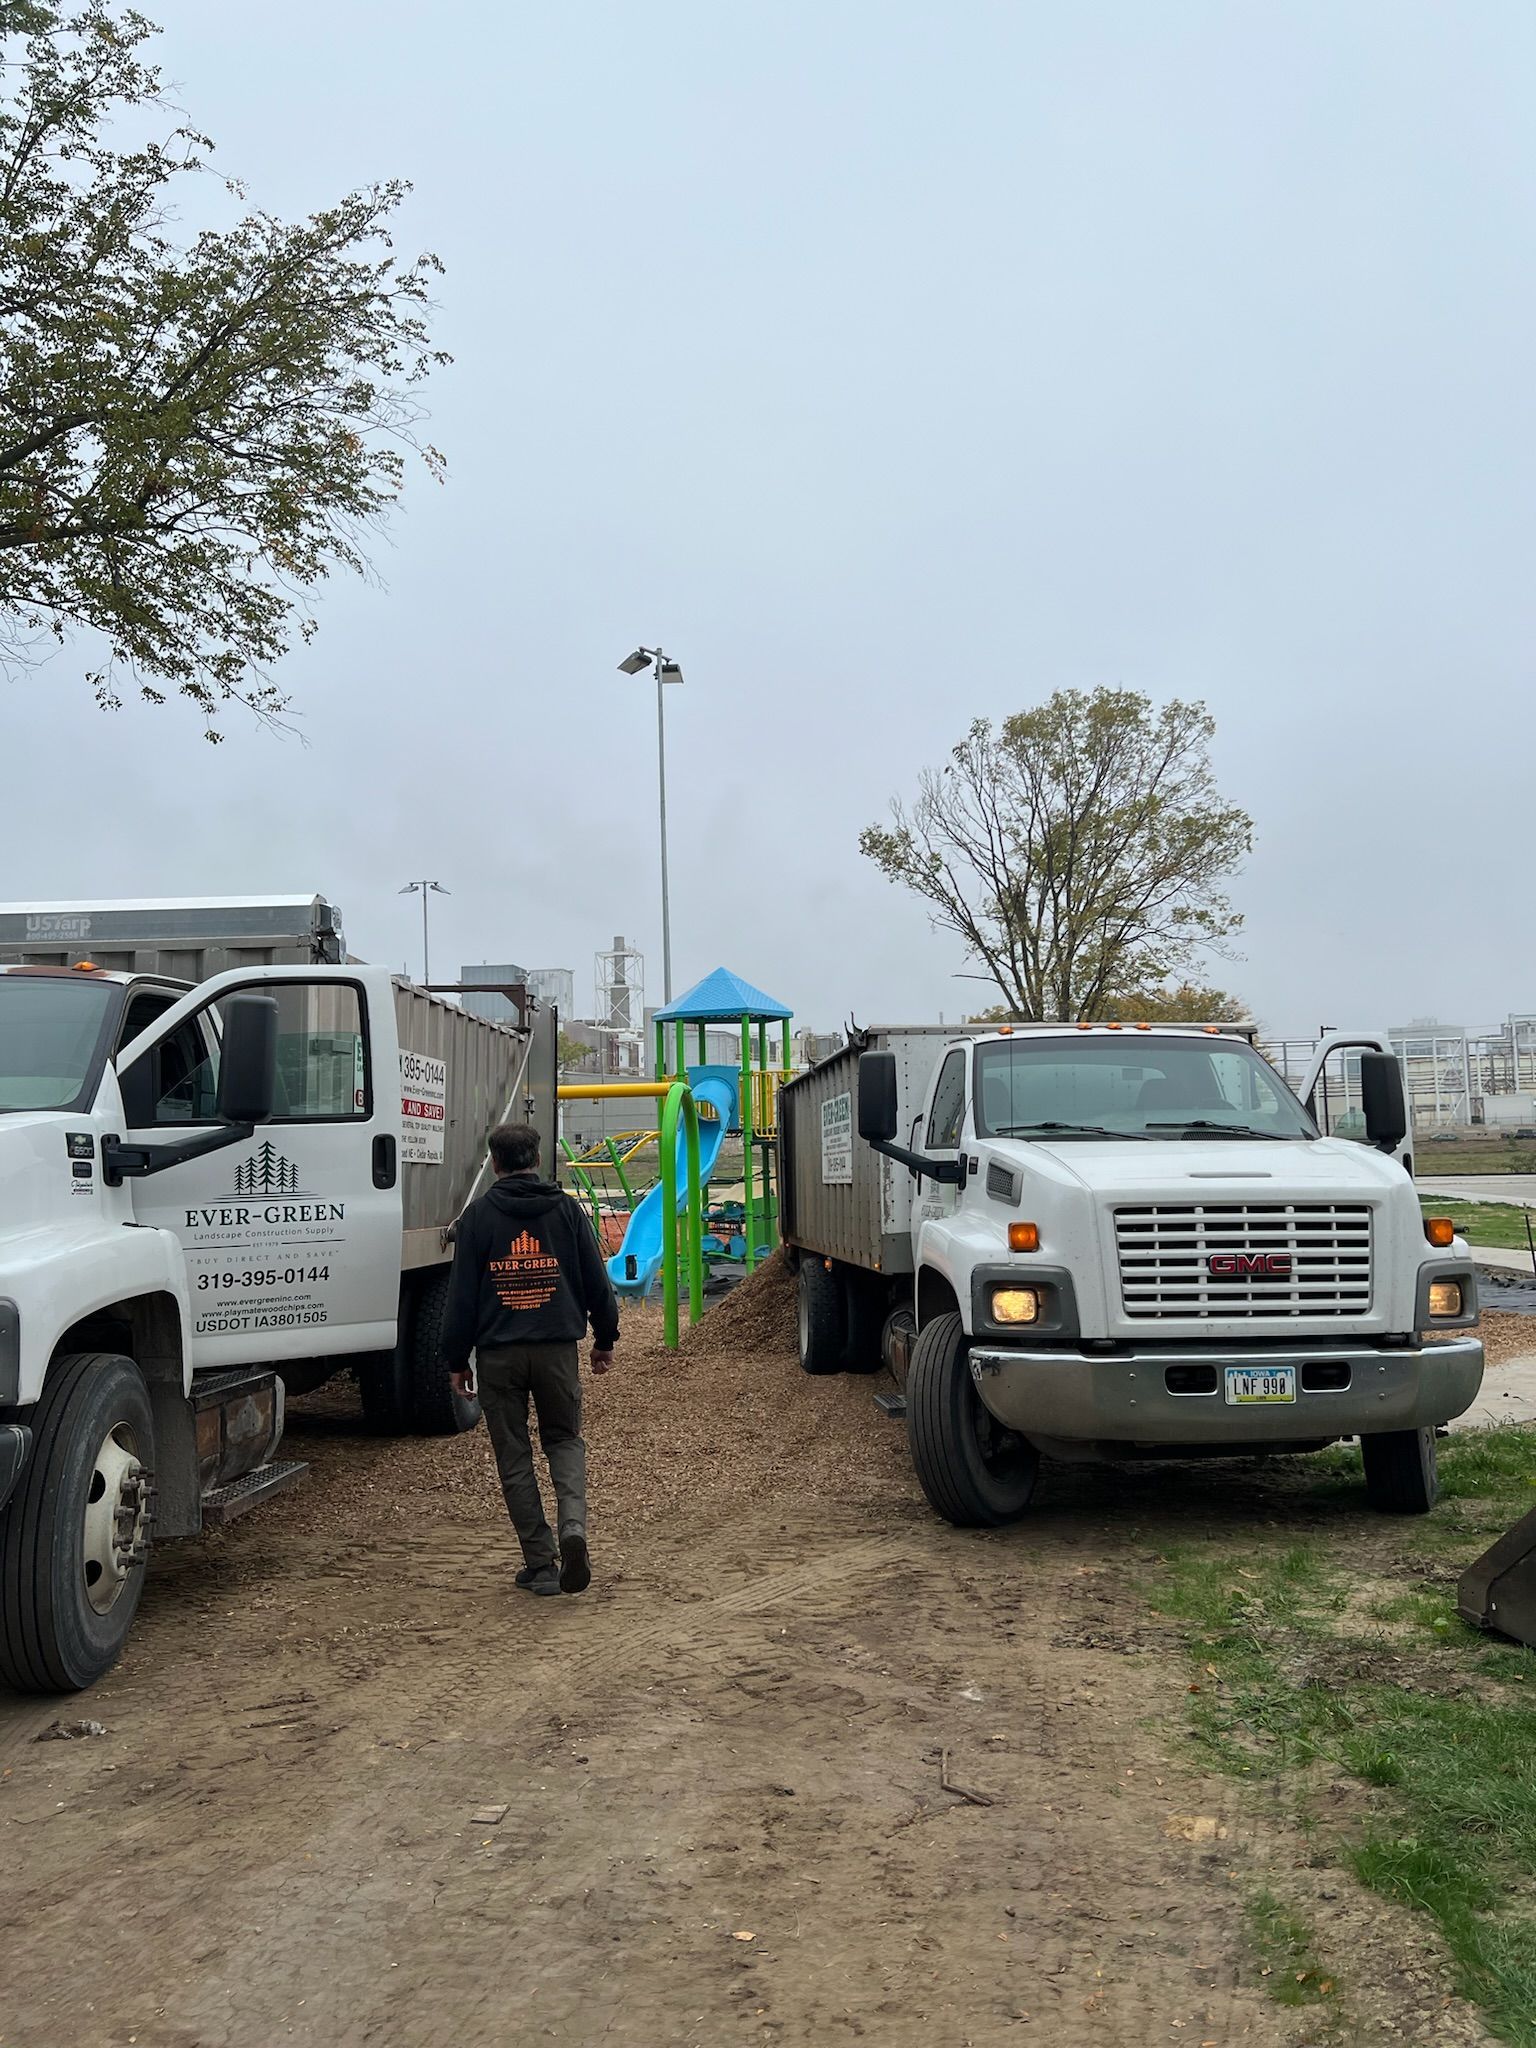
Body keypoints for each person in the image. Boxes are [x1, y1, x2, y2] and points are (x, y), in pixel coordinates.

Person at [442, 1122, 619, 1597]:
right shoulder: (565, 1211)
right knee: (564, 1439)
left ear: (495, 1163)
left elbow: (460, 1297)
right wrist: (605, 1338)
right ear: (537, 1159)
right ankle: (573, 1528)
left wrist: (456, 1360)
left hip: (499, 1354)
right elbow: (595, 1279)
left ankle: (541, 1563)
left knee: (514, 1454)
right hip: (556, 1349)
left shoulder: (477, 1217)